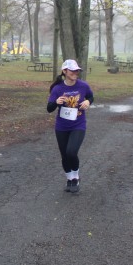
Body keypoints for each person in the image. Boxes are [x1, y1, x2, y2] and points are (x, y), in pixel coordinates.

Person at [47, 59, 93, 193]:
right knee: (64, 155)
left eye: (77, 71)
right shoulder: (57, 89)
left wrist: (88, 102)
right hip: (61, 126)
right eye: (72, 71)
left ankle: (76, 177)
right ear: (65, 71)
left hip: (78, 124)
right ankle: (69, 178)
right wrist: (56, 102)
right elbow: (49, 108)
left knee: (71, 152)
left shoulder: (83, 86)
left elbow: (90, 97)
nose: (75, 73)